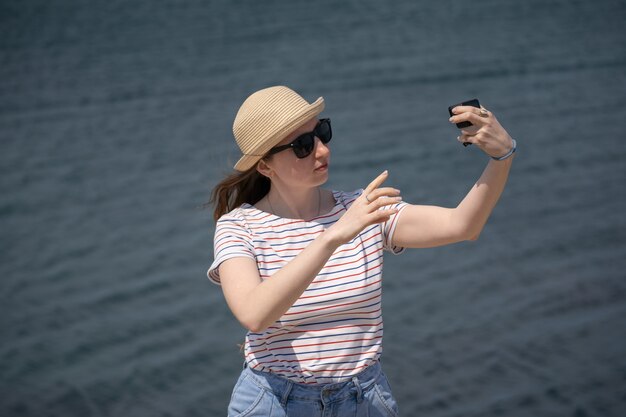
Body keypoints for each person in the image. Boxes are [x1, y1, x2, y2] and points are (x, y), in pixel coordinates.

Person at [207, 86, 515, 416]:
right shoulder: (239, 227)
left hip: (363, 400)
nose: (322, 150)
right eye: (302, 145)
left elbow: (461, 225)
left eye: (321, 132)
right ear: (265, 167)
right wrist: (331, 237)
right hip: (274, 402)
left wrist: (502, 158)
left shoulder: (362, 210)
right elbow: (255, 314)